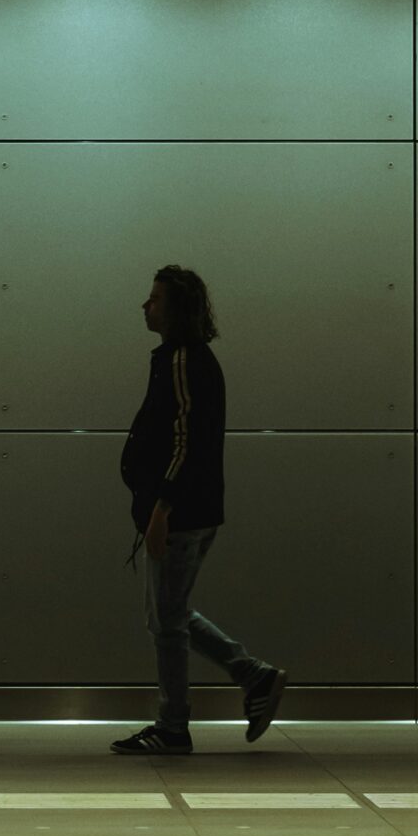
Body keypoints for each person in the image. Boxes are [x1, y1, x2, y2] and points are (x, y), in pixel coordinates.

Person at [109, 265, 287, 755]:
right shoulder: (175, 358)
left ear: (178, 308)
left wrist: (162, 508)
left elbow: (188, 441)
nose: (145, 306)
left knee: (166, 621)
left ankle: (174, 725)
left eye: (155, 298)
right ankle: (252, 677)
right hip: (178, 509)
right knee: (167, 614)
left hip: (180, 512)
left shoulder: (186, 360)